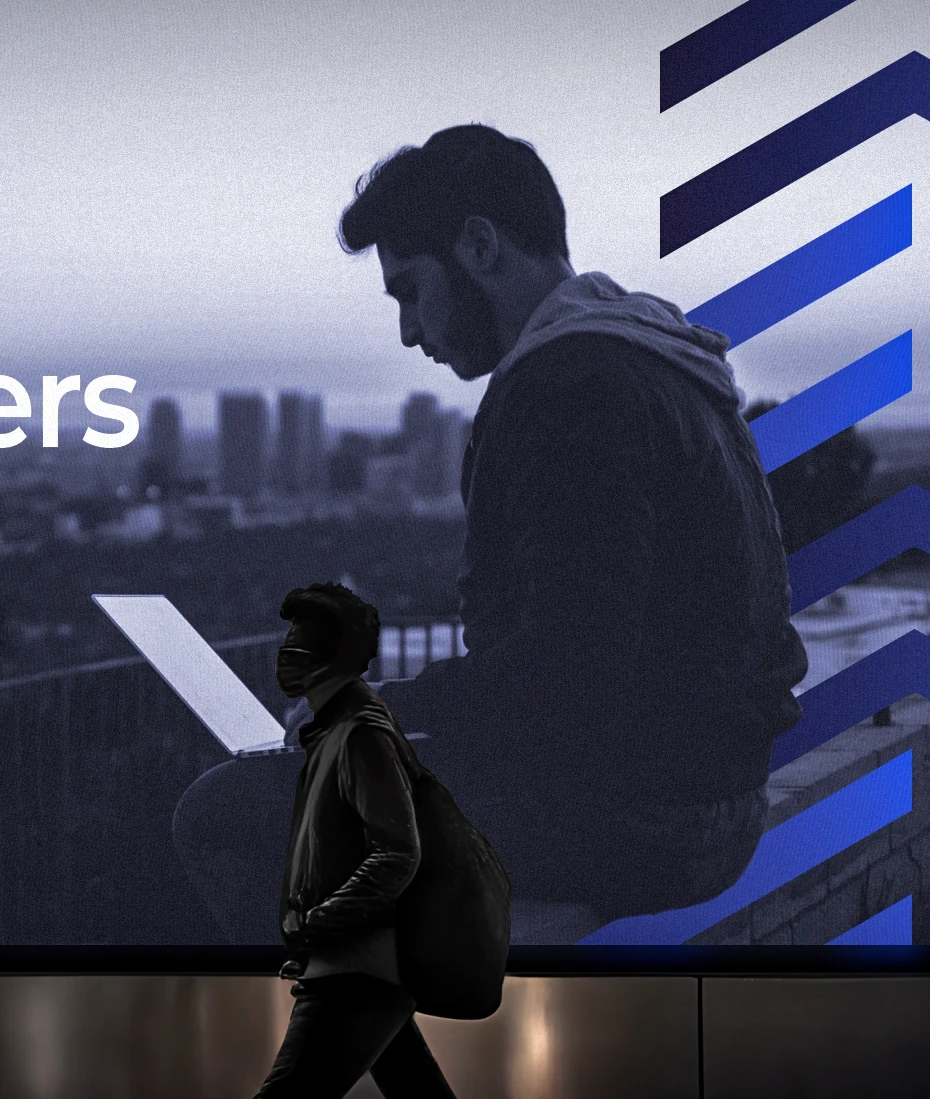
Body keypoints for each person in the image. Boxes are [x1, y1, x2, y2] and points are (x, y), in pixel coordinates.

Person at [174, 124, 806, 941]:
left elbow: (569, 672)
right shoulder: (658, 358)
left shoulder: (570, 386)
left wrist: (376, 711)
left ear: (478, 246)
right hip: (714, 793)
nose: (409, 331)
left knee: (222, 814)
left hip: (648, 817)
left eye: (410, 291)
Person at [118, 582, 595, 1099]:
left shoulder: (360, 736)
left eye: (300, 645)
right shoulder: (338, 731)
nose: (284, 656)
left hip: (361, 965)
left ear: (336, 656)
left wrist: (318, 923)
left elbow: (397, 853)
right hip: (363, 963)